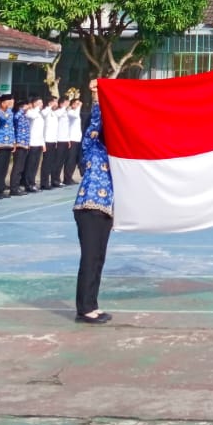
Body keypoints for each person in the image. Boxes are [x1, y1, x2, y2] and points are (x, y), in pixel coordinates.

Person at [74, 80, 114, 324]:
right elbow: (98, 122)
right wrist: (98, 96)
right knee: (89, 258)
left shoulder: (113, 154)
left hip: (105, 209)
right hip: (89, 207)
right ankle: (84, 309)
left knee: (98, 258)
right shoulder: (92, 146)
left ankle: (92, 304)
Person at [63, 97, 84, 184]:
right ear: (72, 105)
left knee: (75, 159)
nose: (78, 105)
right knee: (70, 159)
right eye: (76, 103)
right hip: (72, 139)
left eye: (78, 103)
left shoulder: (76, 112)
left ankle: (70, 177)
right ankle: (67, 178)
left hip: (77, 138)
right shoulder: (70, 112)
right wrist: (78, 107)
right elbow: (75, 116)